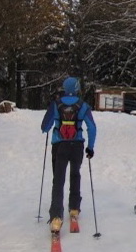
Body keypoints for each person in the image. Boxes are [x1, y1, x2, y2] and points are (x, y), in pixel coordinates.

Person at [40, 77, 97, 232]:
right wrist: (90, 147)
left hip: (59, 146)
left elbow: (45, 127)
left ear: (64, 88)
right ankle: (74, 208)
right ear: (77, 88)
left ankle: (56, 217)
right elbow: (92, 127)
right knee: (75, 175)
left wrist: (51, 124)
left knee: (58, 180)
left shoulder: (56, 104)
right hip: (77, 145)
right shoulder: (83, 105)